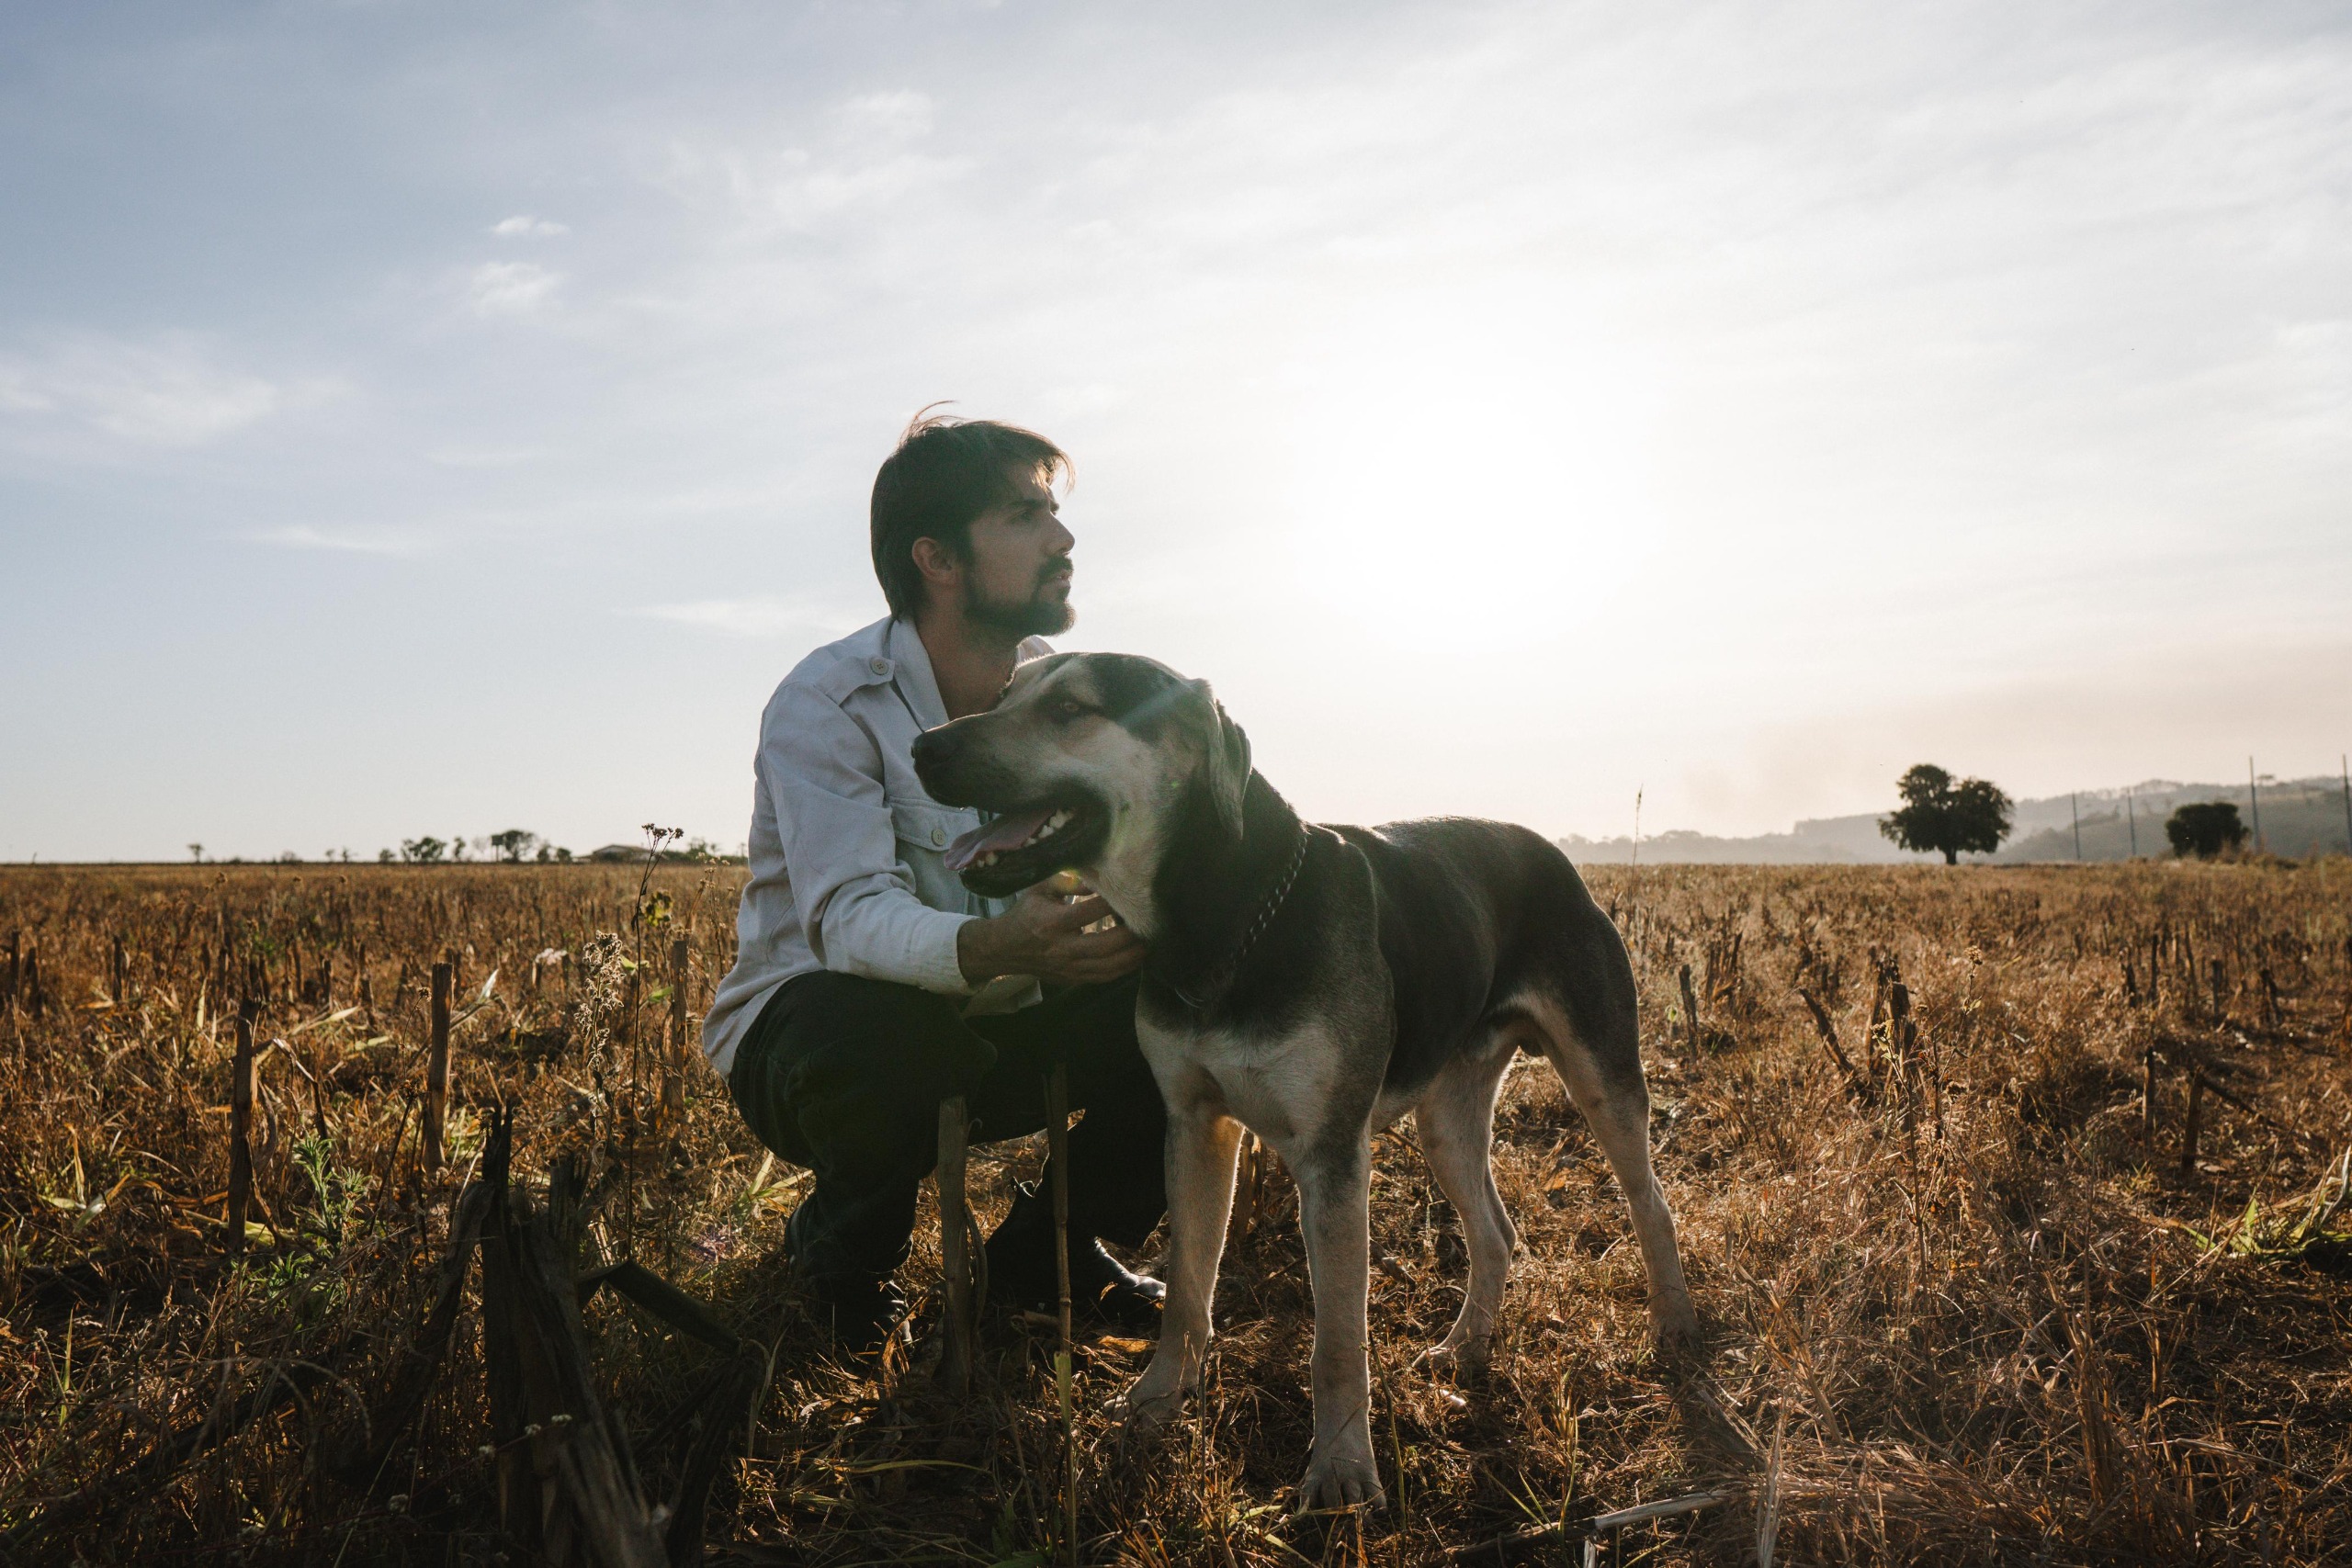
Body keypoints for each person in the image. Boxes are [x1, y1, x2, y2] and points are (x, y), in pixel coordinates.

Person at [701, 411, 1167, 1351]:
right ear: (938, 561)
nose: (1063, 538)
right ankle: (839, 1270)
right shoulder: (829, 702)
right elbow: (844, 920)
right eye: (1024, 515)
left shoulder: (1064, 692)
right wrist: (1000, 944)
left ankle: (1046, 1265)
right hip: (815, 1045)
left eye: (1055, 513)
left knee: (1190, 1006)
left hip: (996, 1027)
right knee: (888, 1039)